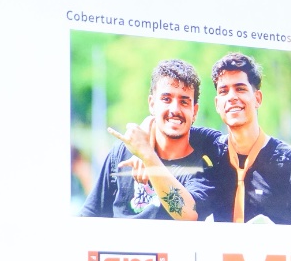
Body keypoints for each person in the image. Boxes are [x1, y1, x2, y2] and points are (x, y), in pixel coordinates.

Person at [189, 52, 291, 225]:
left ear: (257, 98)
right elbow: (167, 128)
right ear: (217, 104)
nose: (232, 97)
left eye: (240, 88)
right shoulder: (213, 152)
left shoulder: (288, 163)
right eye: (224, 91)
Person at [80, 59, 216, 220]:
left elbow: (187, 214)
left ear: (195, 111)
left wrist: (147, 156)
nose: (175, 109)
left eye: (184, 101)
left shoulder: (205, 162)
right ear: (152, 104)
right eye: (166, 99)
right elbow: (90, 218)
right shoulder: (122, 152)